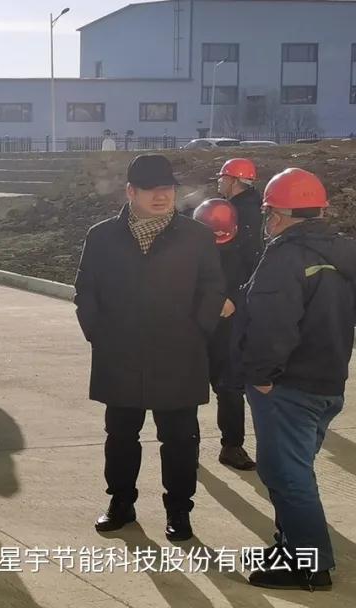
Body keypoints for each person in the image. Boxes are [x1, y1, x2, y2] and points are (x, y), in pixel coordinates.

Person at [74, 154, 226, 542]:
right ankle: (121, 502)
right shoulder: (102, 236)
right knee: (120, 436)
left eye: (167, 189)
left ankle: (179, 510)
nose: (161, 196)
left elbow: (212, 288)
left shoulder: (196, 236)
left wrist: (197, 332)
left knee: (180, 440)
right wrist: (99, 335)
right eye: (150, 189)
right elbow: (86, 290)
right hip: (120, 354)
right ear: (130, 192)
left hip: (179, 355)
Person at [237, 168, 355, 591]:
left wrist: (260, 376)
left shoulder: (285, 257)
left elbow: (273, 326)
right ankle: (289, 547)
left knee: (288, 476)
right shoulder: (344, 253)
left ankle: (310, 565)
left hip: (289, 386)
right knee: (291, 470)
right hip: (327, 382)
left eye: (268, 213)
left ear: (278, 214)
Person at [193, 195, 256, 471]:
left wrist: (236, 300)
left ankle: (232, 446)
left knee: (230, 389)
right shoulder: (186, 250)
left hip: (228, 331)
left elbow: (253, 282)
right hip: (193, 331)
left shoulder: (245, 249)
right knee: (188, 392)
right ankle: (186, 447)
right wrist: (209, 302)